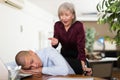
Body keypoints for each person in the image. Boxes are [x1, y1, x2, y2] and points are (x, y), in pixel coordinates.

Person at [49, 2, 92, 76]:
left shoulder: (78, 25)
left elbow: (81, 45)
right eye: (61, 15)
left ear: (72, 15)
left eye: (66, 15)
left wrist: (82, 61)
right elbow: (55, 43)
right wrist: (55, 43)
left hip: (77, 56)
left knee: (81, 72)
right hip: (64, 56)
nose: (63, 18)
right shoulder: (57, 25)